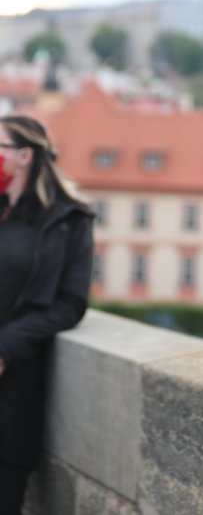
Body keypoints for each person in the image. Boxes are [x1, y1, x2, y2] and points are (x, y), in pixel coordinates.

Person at [0, 114, 93, 513]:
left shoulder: (68, 218)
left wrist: (6, 346)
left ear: (24, 156)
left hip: (15, 380)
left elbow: (70, 303)